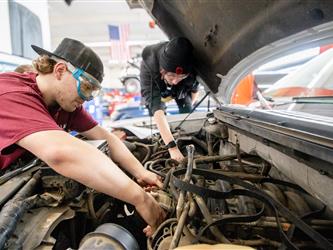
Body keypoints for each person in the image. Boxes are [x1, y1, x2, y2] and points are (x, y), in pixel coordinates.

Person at [0, 38, 165, 236]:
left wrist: (140, 173)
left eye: (93, 92)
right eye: (86, 87)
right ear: (60, 71)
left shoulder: (65, 104)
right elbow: (60, 153)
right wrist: (141, 200)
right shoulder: (11, 93)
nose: (87, 98)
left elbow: (107, 138)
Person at [140, 37, 199, 162]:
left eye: (181, 76)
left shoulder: (189, 73)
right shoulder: (148, 66)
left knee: (187, 107)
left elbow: (194, 91)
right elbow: (157, 108)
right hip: (157, 86)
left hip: (181, 91)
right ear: (162, 70)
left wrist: (185, 116)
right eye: (172, 75)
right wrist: (172, 147)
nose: (175, 80)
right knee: (156, 111)